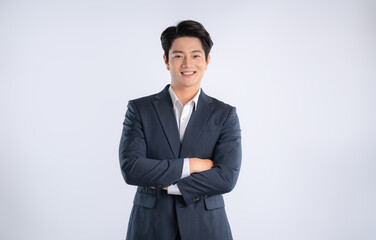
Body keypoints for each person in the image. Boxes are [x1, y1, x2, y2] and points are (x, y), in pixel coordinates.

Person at [119, 20, 242, 240]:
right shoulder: (140, 109)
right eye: (178, 55)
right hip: (150, 227)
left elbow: (226, 177)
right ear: (166, 61)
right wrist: (192, 165)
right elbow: (131, 168)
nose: (187, 63)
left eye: (195, 55)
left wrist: (170, 186)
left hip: (207, 227)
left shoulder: (224, 114)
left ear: (207, 61)